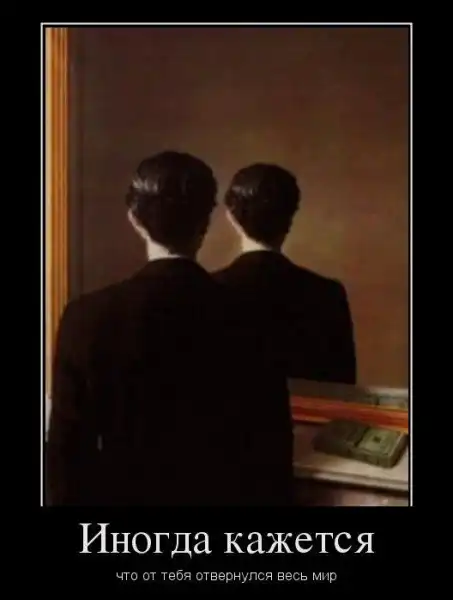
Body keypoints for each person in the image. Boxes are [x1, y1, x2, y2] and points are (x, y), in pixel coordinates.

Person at [46, 151, 292, 506]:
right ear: (206, 223)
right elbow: (272, 450)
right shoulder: (250, 316)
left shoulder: (87, 316)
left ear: (134, 219)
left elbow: (65, 459)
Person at [214, 163, 357, 385]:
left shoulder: (205, 290)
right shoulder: (327, 295)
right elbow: (341, 390)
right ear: (289, 219)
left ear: (231, 217)